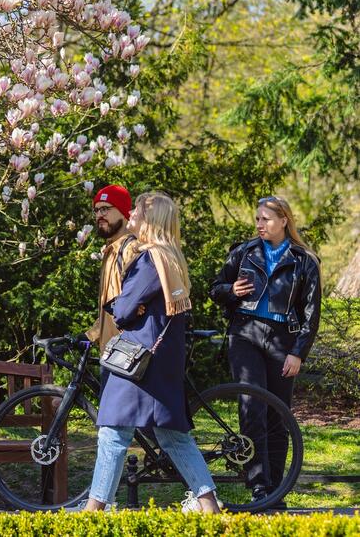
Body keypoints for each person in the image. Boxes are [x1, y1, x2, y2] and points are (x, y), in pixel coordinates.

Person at [84, 192, 220, 513]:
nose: (131, 215)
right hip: (161, 364)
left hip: (138, 364)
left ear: (150, 218)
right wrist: (135, 305)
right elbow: (136, 305)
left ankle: (94, 510)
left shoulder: (148, 260)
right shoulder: (170, 257)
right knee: (173, 438)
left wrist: (127, 305)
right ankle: (209, 505)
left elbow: (124, 309)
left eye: (137, 212)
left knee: (113, 433)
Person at [209, 195, 320, 507]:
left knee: (277, 413)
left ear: (284, 220)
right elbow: (215, 289)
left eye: (266, 219)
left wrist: (298, 352)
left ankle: (275, 489)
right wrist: (230, 291)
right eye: (257, 219)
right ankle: (258, 486)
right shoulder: (243, 252)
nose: (259, 224)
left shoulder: (304, 260)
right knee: (252, 406)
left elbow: (311, 313)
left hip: (283, 340)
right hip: (245, 334)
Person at [86, 185, 141, 368]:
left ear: (125, 212)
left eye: (106, 209)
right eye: (96, 210)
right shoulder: (111, 252)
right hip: (112, 353)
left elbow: (135, 305)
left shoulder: (132, 250)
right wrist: (89, 336)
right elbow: (109, 311)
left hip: (127, 354)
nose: (99, 215)